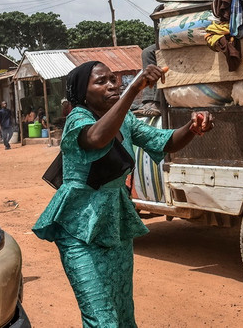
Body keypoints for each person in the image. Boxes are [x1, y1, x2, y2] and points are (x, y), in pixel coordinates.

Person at [33, 61, 214, 327]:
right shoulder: (78, 119)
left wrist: (192, 127)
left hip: (115, 223)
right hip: (78, 229)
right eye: (101, 81)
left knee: (122, 312)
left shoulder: (125, 119)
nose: (111, 85)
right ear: (83, 92)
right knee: (101, 318)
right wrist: (133, 89)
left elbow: (163, 140)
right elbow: (96, 139)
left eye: (113, 79)